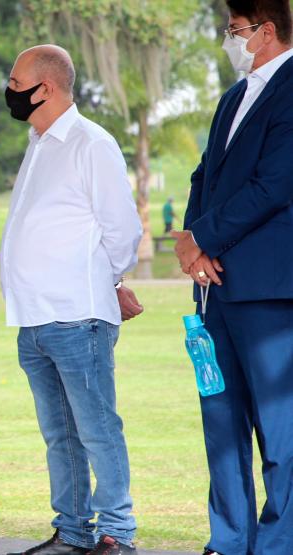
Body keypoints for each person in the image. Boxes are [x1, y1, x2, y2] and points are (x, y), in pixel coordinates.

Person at [0, 45, 143, 555]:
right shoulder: (39, 142)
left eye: (16, 83)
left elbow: (122, 231)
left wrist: (107, 280)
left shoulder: (89, 143)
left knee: (97, 429)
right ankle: (75, 529)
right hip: (35, 319)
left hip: (77, 317)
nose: (9, 92)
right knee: (60, 437)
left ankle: (117, 532)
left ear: (47, 88)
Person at [174, 2, 293, 553]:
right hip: (215, 288)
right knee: (220, 420)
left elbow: (274, 185)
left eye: (235, 31)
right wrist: (190, 241)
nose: (229, 40)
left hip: (269, 289)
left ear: (266, 31)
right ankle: (229, 539)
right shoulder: (232, 97)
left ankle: (278, 542)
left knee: (279, 429)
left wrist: (207, 238)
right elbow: (204, 174)